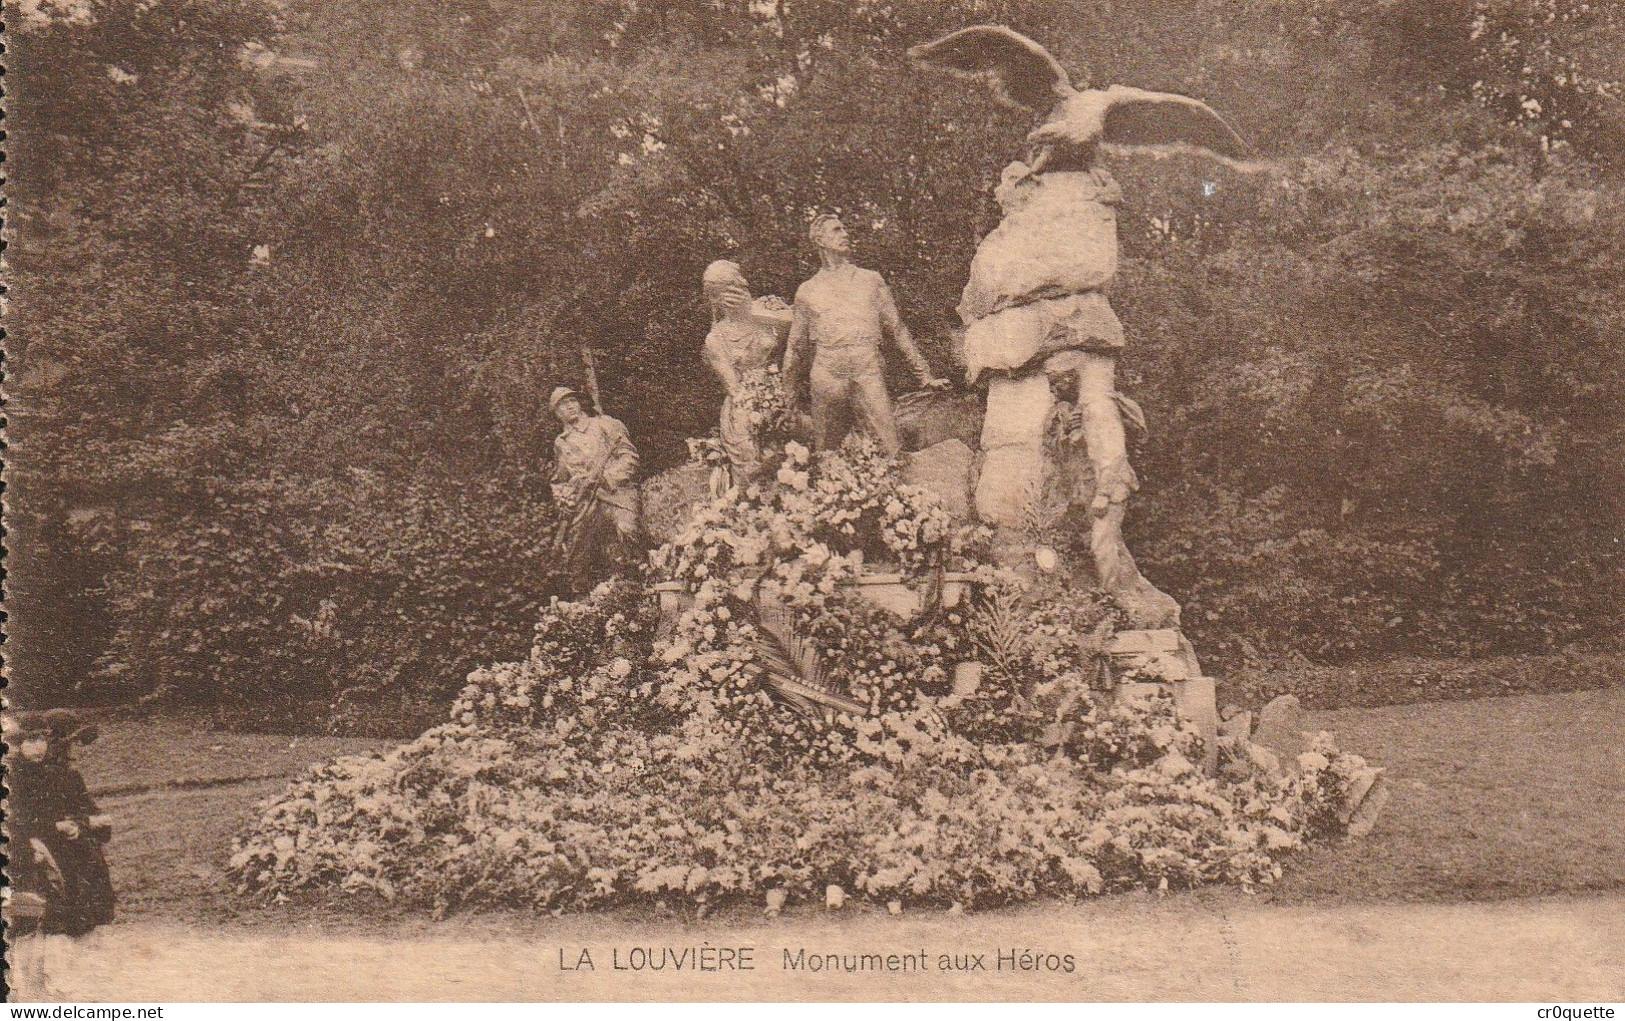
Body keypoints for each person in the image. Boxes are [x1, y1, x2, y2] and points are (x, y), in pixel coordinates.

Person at [781, 215, 948, 454]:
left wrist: (925, 375)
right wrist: (788, 396)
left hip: (866, 368)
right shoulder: (807, 291)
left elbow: (897, 328)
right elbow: (796, 347)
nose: (845, 234)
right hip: (827, 373)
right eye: (836, 230)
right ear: (819, 240)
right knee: (827, 453)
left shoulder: (871, 280)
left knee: (890, 446)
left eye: (845, 229)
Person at [701, 260, 789, 483]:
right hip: (745, 404)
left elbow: (802, 324)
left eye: (734, 287)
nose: (729, 297)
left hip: (785, 391)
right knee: (753, 453)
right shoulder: (716, 339)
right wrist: (761, 411)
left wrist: (751, 311)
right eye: (721, 292)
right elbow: (734, 388)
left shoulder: (768, 310)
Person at [548, 387, 641, 595]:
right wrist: (565, 500)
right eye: (563, 404)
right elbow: (560, 480)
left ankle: (641, 581)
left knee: (627, 529)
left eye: (572, 400)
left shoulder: (603, 424)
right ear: (556, 413)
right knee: (575, 551)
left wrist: (607, 478)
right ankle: (584, 604)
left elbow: (630, 458)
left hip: (617, 493)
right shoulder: (561, 443)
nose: (570, 405)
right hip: (586, 503)